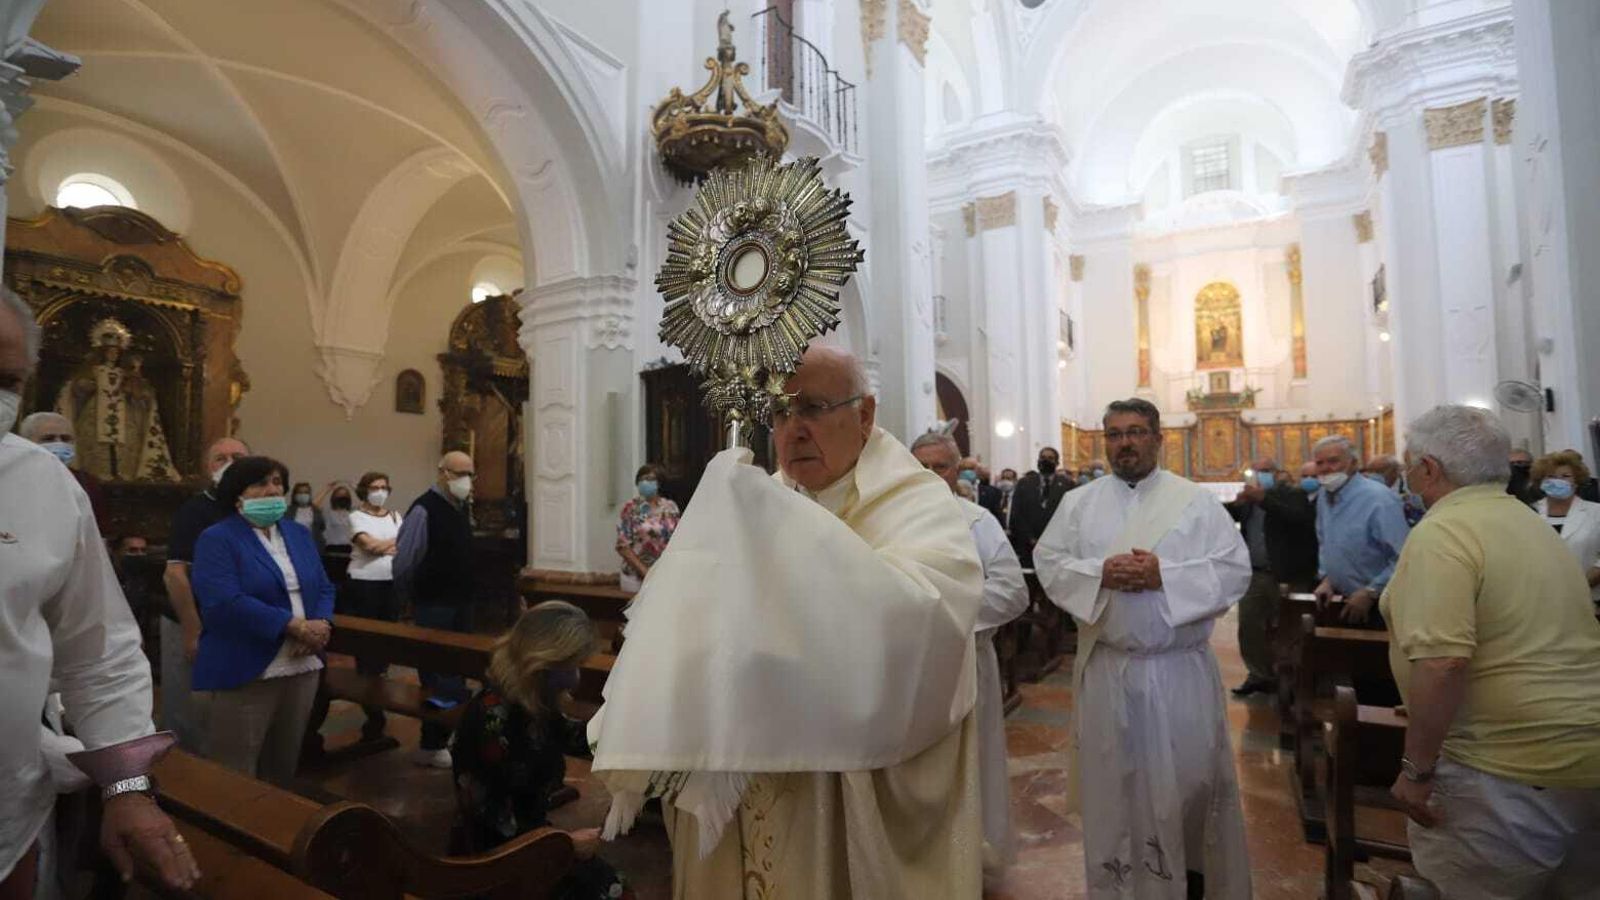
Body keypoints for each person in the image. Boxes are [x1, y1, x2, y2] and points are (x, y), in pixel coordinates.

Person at [588, 345, 985, 897]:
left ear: (865, 414)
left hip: (841, 790)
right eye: (778, 413)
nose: (793, 430)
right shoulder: (759, 500)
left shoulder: (915, 504)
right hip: (745, 769)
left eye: (814, 408)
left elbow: (924, 617)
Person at [0, 287, 200, 895]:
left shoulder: (44, 485)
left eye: (4, 378)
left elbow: (100, 654)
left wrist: (125, 785)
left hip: (7, 829)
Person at [1035, 398, 1252, 900]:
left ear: (1158, 438)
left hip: (1178, 675)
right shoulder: (1079, 504)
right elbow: (1050, 563)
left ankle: (1186, 885)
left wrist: (1164, 576)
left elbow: (1235, 569)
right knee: (1113, 791)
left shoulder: (1195, 502)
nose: (1124, 442)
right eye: (1114, 434)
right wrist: (1099, 573)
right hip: (1109, 672)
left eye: (1135, 432)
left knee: (1188, 789)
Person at [1381, 405, 1600, 896]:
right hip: (1584, 759)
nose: (1408, 476)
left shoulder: (1443, 532)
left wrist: (1416, 770)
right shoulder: (1534, 527)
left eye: (1410, 465)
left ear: (1429, 469)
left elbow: (1443, 660)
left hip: (1503, 772)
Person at [451, 601, 634, 899]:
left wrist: (626, 739)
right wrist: (565, 843)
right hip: (495, 860)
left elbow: (572, 736)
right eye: (573, 664)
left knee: (616, 887)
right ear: (546, 661)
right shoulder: (493, 721)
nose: (576, 674)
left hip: (529, 838)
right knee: (614, 891)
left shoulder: (530, 698)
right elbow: (494, 818)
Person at [912, 433, 1029, 870]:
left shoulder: (978, 522)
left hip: (967, 663)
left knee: (968, 767)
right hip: (910, 671)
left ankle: (970, 864)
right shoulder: (888, 523)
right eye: (919, 467)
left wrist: (944, 610)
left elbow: (1013, 591)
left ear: (956, 470)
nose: (928, 477)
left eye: (938, 467)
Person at [190, 456, 334, 786]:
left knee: (283, 764)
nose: (272, 489)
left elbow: (324, 585)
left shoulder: (297, 533)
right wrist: (294, 626)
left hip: (302, 662)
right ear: (237, 494)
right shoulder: (218, 538)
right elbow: (225, 601)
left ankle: (272, 832)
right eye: (260, 483)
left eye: (277, 482)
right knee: (234, 770)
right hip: (246, 664)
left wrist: (321, 624)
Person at [162, 435, 251, 751]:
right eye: (220, 458)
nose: (229, 465)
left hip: (240, 625)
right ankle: (186, 783)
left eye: (238, 458)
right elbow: (175, 574)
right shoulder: (196, 510)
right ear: (207, 467)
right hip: (196, 621)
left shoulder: (257, 509)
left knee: (231, 715)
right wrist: (192, 629)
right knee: (190, 710)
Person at [394, 451, 478, 768]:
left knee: (459, 667)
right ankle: (432, 742)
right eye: (459, 474)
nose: (466, 481)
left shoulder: (461, 507)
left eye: (470, 474)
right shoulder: (424, 509)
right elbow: (405, 560)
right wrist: (407, 597)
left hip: (461, 601)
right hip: (434, 602)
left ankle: (452, 732)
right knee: (437, 670)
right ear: (442, 473)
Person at [1226, 456, 1319, 696]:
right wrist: (1236, 504)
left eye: (1266, 471)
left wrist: (1264, 499)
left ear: (1277, 473)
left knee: (1289, 629)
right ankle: (1259, 675)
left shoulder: (1292, 494)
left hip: (1286, 574)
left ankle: (1291, 679)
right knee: (1249, 626)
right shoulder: (1249, 499)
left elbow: (1298, 518)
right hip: (1255, 574)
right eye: (1256, 471)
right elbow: (1230, 519)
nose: (1261, 475)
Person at [1310, 435, 1410, 629]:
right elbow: (1327, 541)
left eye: (1333, 461)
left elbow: (1405, 556)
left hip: (1380, 603)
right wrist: (1328, 580)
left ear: (1353, 463)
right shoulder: (1324, 496)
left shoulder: (1378, 499)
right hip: (1344, 600)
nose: (1325, 468)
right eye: (1319, 463)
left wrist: (1371, 591)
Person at [346, 471, 405, 741]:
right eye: (374, 487)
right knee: (367, 639)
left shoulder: (395, 516)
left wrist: (387, 546)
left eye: (384, 487)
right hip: (364, 582)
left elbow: (405, 544)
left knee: (388, 637)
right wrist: (389, 545)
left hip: (391, 582)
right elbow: (367, 546)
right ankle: (367, 690)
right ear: (364, 491)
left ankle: (380, 681)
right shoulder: (356, 517)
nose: (380, 492)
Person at [1531, 450, 1600, 610]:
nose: (1558, 481)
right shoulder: (1529, 512)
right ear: (1541, 482)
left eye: (1565, 476)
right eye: (1551, 476)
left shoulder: (1596, 512)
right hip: (1540, 601)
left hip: (1589, 600)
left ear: (1576, 481)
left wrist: (1584, 583)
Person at [17, 411, 107, 532]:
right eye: (49, 438)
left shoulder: (87, 484)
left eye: (66, 439)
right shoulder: (11, 478)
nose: (59, 443)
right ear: (26, 443)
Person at [614, 464, 681, 594]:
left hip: (664, 574)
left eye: (650, 479)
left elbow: (677, 539)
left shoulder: (670, 507)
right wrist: (646, 573)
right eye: (642, 479)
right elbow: (623, 546)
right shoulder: (631, 508)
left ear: (659, 483)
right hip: (635, 576)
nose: (645, 483)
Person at [1010, 446, 1074, 565]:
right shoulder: (1024, 483)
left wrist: (1052, 540)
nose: (1045, 460)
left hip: (1057, 547)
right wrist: (1030, 538)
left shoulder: (1068, 485)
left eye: (1050, 458)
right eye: (1043, 457)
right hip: (1028, 546)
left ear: (1057, 462)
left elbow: (1070, 515)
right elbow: (1017, 514)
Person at [962, 456, 1005, 524]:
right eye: (964, 469)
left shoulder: (992, 492)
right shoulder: (950, 490)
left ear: (979, 471)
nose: (968, 471)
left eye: (971, 468)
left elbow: (998, 518)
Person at [288, 481, 326, 550]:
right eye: (300, 492)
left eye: (306, 492)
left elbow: (322, 527)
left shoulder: (316, 511)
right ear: (295, 495)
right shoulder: (288, 511)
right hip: (294, 546)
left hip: (312, 546)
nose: (303, 495)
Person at [322, 483, 356, 556]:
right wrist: (326, 490)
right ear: (334, 497)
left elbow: (368, 505)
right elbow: (313, 507)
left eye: (345, 495)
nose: (342, 497)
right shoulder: (328, 513)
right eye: (339, 495)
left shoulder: (353, 513)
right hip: (332, 549)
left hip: (349, 550)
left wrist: (357, 490)